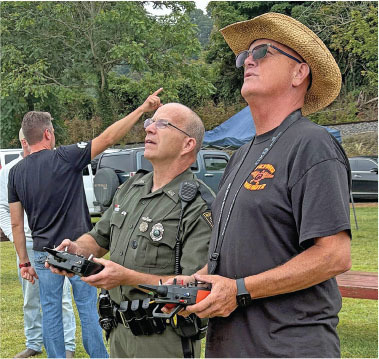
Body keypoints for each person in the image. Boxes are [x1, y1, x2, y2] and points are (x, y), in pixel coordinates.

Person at [176, 13, 352, 358]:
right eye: (245, 56)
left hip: (288, 347)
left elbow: (334, 255)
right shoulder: (241, 155)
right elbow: (236, 258)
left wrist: (240, 290)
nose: (247, 61)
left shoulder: (311, 144)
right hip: (230, 345)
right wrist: (197, 282)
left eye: (263, 52)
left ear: (299, 73)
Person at [48, 102, 213, 358]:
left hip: (163, 338)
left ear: (188, 144)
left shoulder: (196, 204)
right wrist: (77, 251)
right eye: (149, 123)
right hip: (118, 332)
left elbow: (199, 288)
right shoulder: (131, 188)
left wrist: (127, 277)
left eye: (162, 124)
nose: (149, 129)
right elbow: (98, 237)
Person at [8, 89, 163, 358]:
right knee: (88, 309)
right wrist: (141, 110)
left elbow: (16, 225)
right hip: (78, 250)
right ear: (47, 134)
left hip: (43, 254)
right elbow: (109, 137)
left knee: (51, 310)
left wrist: (24, 262)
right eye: (53, 130)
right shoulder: (66, 156)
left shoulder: (16, 173)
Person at [0, 129, 76, 358]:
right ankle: (34, 342)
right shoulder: (11, 171)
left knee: (61, 297)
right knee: (30, 297)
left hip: (54, 243)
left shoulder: (55, 164)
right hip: (27, 246)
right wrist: (18, 240)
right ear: (24, 141)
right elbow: (4, 209)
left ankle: (68, 345)